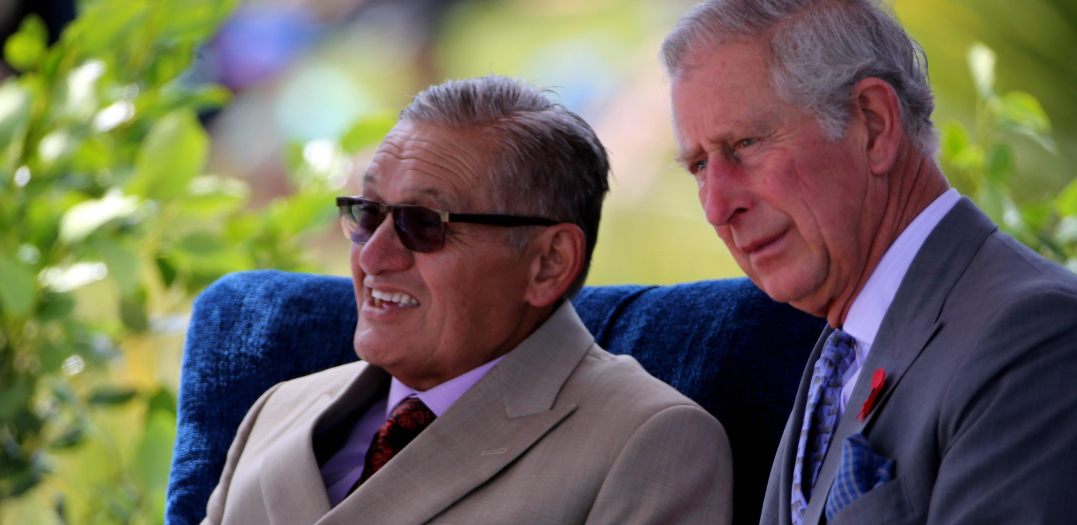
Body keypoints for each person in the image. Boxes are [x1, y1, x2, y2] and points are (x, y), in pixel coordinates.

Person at [662, 1, 1077, 524]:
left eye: (747, 144)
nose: (716, 206)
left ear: (873, 125)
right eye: (700, 165)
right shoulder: (843, 348)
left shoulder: (1040, 338)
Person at [200, 75, 733, 525]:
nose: (373, 256)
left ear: (548, 262)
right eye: (367, 213)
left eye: (423, 224)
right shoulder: (277, 409)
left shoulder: (648, 441)